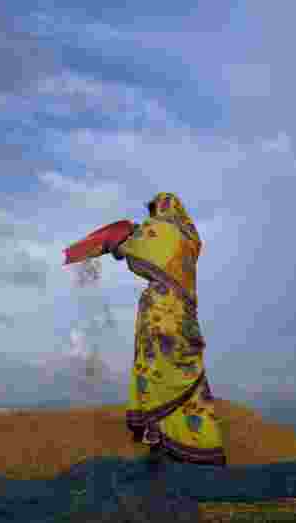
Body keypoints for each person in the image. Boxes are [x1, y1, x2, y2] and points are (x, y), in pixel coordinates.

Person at [107, 193, 227, 466]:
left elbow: (131, 248)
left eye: (153, 210)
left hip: (161, 314)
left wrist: (119, 243)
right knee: (188, 376)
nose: (151, 216)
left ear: (162, 208)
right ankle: (202, 447)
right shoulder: (190, 240)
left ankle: (157, 437)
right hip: (185, 317)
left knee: (156, 369)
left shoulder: (161, 229)